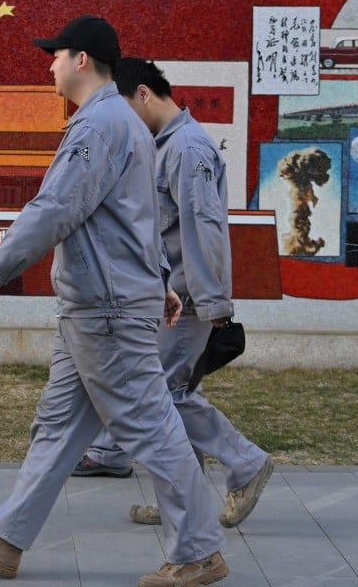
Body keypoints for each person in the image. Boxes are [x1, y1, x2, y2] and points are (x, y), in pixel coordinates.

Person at [0, 16, 228, 587]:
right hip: (102, 303)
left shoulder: (98, 125)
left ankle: (198, 551)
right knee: (59, 426)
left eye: (55, 54)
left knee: (148, 424)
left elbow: (55, 209)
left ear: (81, 60)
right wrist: (160, 280)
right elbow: (141, 216)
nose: (48, 64)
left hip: (107, 309)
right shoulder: (124, 123)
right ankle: (6, 540)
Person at [75, 58, 274, 529]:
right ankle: (185, 502)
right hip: (171, 296)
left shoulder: (187, 148)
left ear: (144, 94)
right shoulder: (163, 145)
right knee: (168, 395)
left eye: (123, 107)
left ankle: (245, 463)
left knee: (162, 396)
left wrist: (213, 303)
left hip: (187, 299)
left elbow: (204, 229)